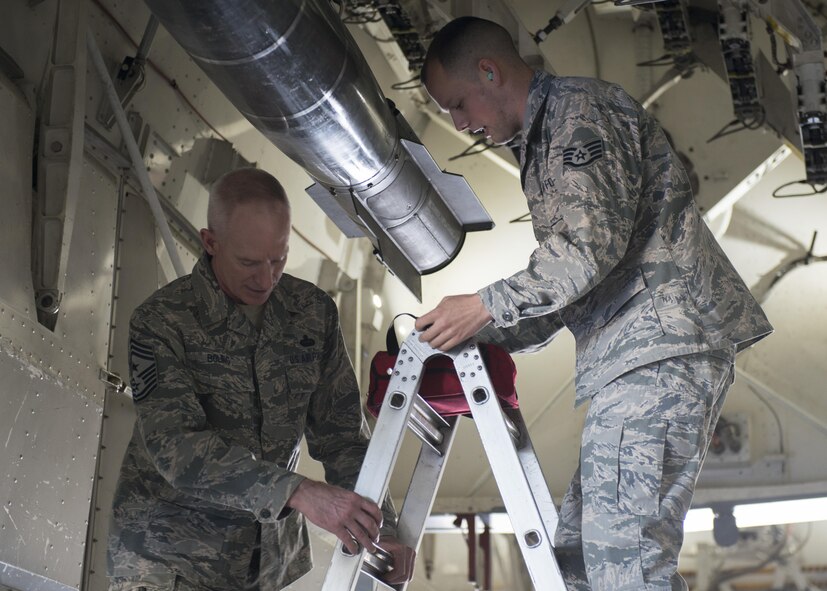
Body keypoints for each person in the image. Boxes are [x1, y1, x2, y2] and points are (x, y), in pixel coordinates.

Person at [415, 16, 772, 591]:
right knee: (582, 561)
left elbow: (586, 248)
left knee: (624, 566)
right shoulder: (541, 140)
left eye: (459, 104)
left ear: (489, 70)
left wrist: (481, 305)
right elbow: (570, 288)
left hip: (658, 351)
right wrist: (477, 335)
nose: (460, 123)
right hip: (636, 359)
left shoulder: (578, 115)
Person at [108, 168, 415, 591]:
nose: (266, 279)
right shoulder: (162, 321)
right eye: (249, 262)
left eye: (279, 259)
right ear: (210, 242)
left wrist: (382, 528)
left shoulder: (311, 313)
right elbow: (177, 448)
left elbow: (343, 437)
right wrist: (298, 492)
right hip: (170, 562)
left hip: (266, 565)